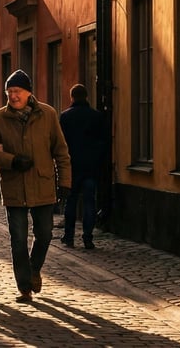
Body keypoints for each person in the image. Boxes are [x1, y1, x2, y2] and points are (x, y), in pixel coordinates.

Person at [0, 69, 72, 304]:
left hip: (43, 185)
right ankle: (25, 287)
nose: (13, 96)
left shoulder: (48, 114)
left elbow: (61, 151)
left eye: (17, 92)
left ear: (29, 93)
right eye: (9, 92)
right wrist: (12, 161)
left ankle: (34, 270)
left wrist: (64, 183)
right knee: (18, 239)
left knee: (44, 234)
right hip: (14, 187)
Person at [59, 84, 106, 250]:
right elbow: (103, 142)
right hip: (90, 166)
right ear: (86, 97)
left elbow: (60, 144)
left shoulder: (64, 117)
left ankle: (69, 237)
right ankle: (88, 238)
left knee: (70, 201)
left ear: (72, 97)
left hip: (71, 166)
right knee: (89, 202)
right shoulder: (97, 116)